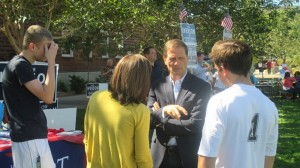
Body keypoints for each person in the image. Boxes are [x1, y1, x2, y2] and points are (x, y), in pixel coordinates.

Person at [198, 40, 278, 168]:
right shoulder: (270, 106)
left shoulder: (219, 102)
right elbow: (269, 156)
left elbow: (207, 154)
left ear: (223, 69)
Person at [148, 39, 211, 168]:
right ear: (165, 59)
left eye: (181, 58)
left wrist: (160, 119)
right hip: (160, 157)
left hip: (188, 157)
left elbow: (196, 124)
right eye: (172, 58)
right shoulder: (156, 86)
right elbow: (148, 119)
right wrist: (165, 110)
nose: (177, 63)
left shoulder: (202, 87)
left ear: (187, 59)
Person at [2, 25, 58, 168]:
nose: (49, 51)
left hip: (30, 136)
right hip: (29, 138)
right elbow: (48, 97)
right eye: (46, 47)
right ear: (32, 46)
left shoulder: (19, 64)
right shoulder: (19, 65)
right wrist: (51, 62)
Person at [84, 54, 153, 168]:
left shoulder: (95, 97)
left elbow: (87, 138)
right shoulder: (140, 111)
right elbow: (142, 157)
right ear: (142, 80)